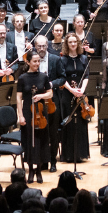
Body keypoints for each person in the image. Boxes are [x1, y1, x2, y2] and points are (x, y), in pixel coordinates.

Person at [17, 50, 55, 183]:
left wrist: (41, 96)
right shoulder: (22, 78)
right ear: (28, 62)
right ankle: (31, 171)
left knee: (41, 141)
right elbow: (19, 97)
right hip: (28, 111)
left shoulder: (43, 77)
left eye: (39, 61)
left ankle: (39, 170)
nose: (37, 63)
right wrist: (20, 116)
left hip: (41, 113)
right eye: (34, 61)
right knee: (29, 141)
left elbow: (50, 93)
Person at [59, 34, 91, 163]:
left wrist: (81, 90)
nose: (73, 44)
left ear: (78, 44)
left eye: (75, 42)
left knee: (82, 123)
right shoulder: (62, 59)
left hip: (81, 94)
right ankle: (68, 154)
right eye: (70, 42)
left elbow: (86, 76)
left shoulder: (83, 58)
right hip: (68, 94)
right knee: (69, 122)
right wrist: (72, 90)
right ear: (66, 44)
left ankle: (81, 153)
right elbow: (61, 78)